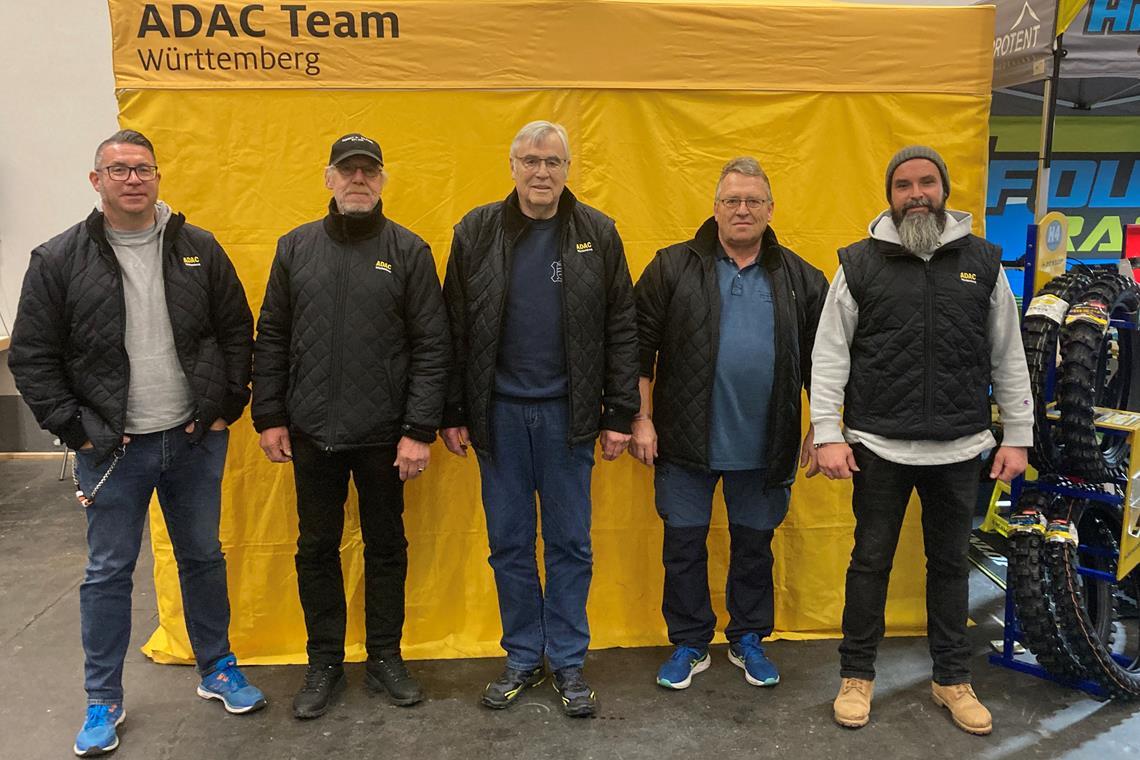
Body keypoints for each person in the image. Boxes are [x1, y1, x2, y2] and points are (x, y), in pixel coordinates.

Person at [8, 129, 265, 757]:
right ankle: (103, 699)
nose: (132, 179)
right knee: (107, 573)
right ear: (95, 180)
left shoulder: (199, 248)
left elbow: (238, 331)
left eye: (143, 169)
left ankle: (218, 668)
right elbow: (33, 357)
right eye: (118, 169)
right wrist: (78, 428)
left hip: (193, 439)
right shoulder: (58, 259)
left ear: (157, 178)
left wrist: (224, 405)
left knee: (203, 556)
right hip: (111, 450)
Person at [812, 145, 1032, 735]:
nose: (916, 194)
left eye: (926, 183)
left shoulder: (983, 263)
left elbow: (1009, 355)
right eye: (904, 184)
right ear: (890, 195)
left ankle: (952, 679)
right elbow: (829, 354)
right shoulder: (859, 264)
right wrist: (828, 434)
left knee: (950, 567)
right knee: (869, 563)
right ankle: (856, 676)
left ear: (945, 190)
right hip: (877, 446)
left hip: (961, 448)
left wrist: (1019, 436)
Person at [440, 120, 639, 717]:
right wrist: (452, 410)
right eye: (530, 161)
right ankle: (524, 656)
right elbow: (452, 327)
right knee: (508, 544)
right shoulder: (476, 232)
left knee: (571, 544)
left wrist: (620, 414)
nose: (541, 172)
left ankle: (570, 662)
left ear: (567, 169)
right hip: (497, 416)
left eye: (552, 162)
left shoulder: (598, 234)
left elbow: (621, 329)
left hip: (568, 419)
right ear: (512, 166)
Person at [252, 133, 449, 719]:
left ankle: (386, 657)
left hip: (387, 439)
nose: (358, 180)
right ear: (329, 178)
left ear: (383, 181)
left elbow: (432, 346)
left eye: (369, 172)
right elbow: (273, 338)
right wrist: (270, 416)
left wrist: (418, 429)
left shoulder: (409, 251)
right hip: (311, 435)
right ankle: (324, 663)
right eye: (348, 171)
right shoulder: (294, 248)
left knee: (387, 548)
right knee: (316, 549)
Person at [632, 156, 826, 691]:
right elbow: (635, 349)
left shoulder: (801, 279)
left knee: (754, 548)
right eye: (731, 200)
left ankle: (748, 639)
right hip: (683, 443)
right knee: (684, 548)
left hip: (767, 445)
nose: (742, 210)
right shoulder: (672, 267)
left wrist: (824, 426)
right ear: (715, 208)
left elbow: (827, 361)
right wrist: (642, 420)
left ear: (769, 209)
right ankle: (691, 643)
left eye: (753, 201)